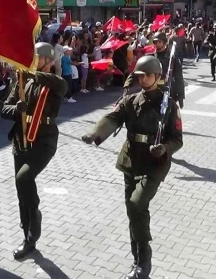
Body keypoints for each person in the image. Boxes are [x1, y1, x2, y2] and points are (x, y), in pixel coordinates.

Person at [81, 56, 183, 279]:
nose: (143, 79)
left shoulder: (169, 105)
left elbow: (177, 139)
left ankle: (144, 260)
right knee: (132, 210)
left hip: (155, 163)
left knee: (137, 204)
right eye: (140, 76)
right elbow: (113, 117)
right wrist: (95, 133)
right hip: (131, 160)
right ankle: (136, 260)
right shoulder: (131, 100)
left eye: (147, 75)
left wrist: (165, 148)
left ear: (157, 77)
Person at [0, 42, 67, 259]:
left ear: (48, 61)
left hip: (43, 140)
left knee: (24, 178)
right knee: (21, 189)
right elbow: (4, 109)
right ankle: (27, 235)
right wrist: (16, 108)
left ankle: (34, 216)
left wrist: (31, 74)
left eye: (38, 59)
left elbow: (60, 85)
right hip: (21, 138)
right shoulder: (22, 82)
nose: (34, 62)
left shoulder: (54, 83)